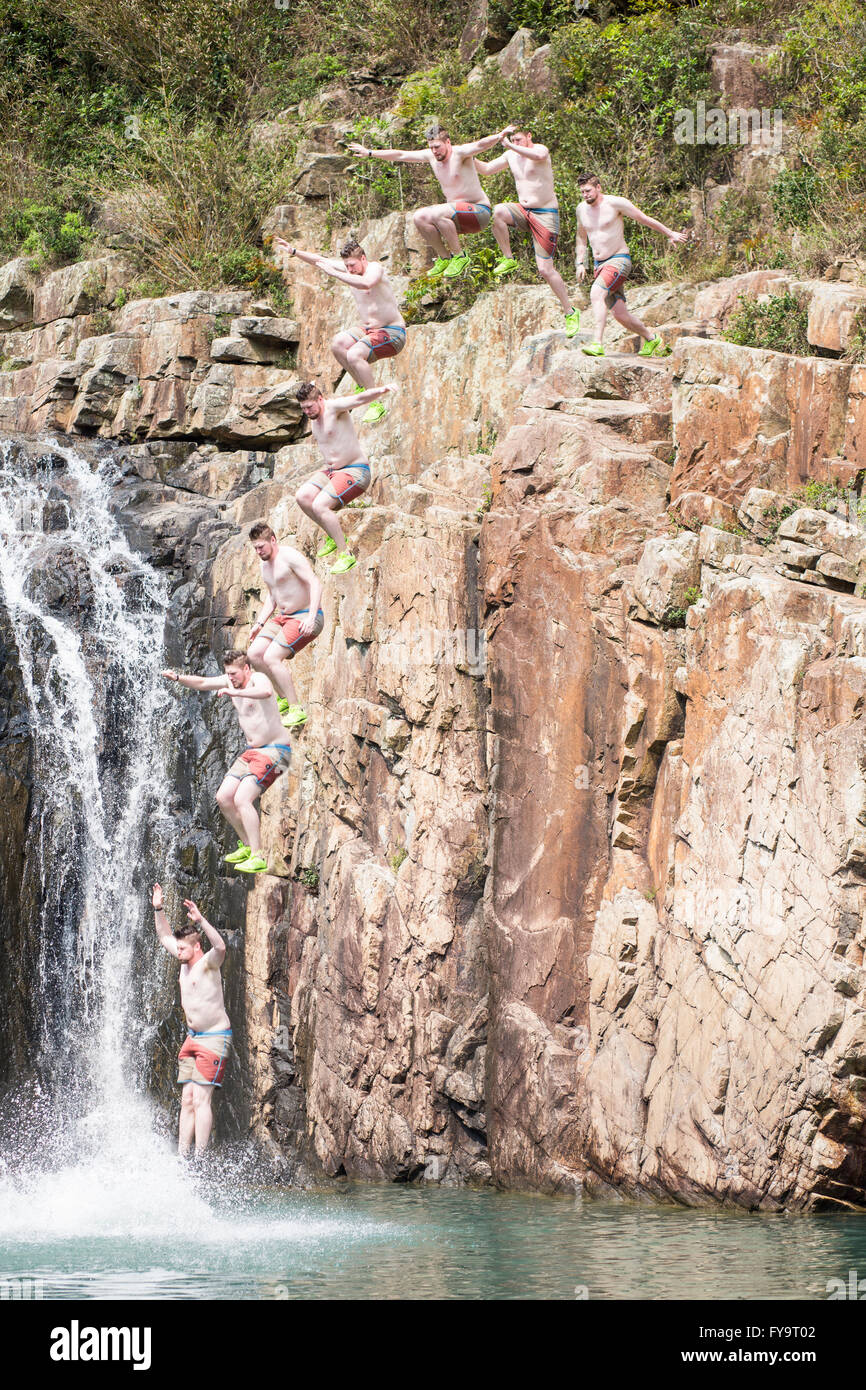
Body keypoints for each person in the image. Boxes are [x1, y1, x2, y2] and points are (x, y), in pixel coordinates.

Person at [162, 649, 291, 874]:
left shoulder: (257, 679)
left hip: (277, 751)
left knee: (242, 798)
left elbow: (267, 691)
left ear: (246, 669)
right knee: (223, 797)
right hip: (252, 752)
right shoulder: (230, 682)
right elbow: (202, 682)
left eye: (234, 674)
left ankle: (258, 856)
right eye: (228, 674)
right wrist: (178, 678)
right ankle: (248, 846)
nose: (230, 679)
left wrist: (237, 694)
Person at [347, 123, 516, 279]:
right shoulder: (430, 156)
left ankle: (460, 256)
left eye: (437, 147)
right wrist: (370, 152)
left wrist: (499, 136)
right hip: (455, 217)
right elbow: (400, 154)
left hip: (479, 213)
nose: (435, 151)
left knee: (437, 212)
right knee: (419, 217)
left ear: (447, 142)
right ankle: (444, 258)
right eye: (431, 147)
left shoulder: (460, 153)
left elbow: (480, 145)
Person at [273, 235, 405, 424]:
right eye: (347, 266)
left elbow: (366, 283)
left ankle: (375, 403)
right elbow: (320, 261)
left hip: (393, 332)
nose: (350, 270)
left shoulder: (375, 268)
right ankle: (362, 385)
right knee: (338, 344)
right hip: (369, 330)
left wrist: (335, 274)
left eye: (353, 265)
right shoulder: (349, 270)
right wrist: (294, 251)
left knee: (354, 355)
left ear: (363, 259)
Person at [475, 126, 580, 336]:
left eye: (520, 139)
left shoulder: (539, 150)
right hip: (523, 210)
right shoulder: (510, 155)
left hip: (545, 213)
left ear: (529, 136)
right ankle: (508, 258)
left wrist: (511, 145)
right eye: (514, 139)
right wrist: (467, 157)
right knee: (498, 212)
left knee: (545, 270)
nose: (517, 142)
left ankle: (570, 311)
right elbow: (486, 169)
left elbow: (539, 154)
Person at [152, 882, 230, 1158]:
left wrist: (201, 920)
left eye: (183, 949)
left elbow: (220, 945)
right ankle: (183, 1159)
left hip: (214, 1039)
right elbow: (164, 936)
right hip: (192, 1040)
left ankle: (201, 1159)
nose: (178, 953)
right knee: (186, 1099)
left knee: (200, 1098)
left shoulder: (208, 963)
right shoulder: (184, 959)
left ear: (196, 947)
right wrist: (158, 908)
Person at [575, 173, 688, 357]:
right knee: (620, 315)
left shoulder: (615, 203)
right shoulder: (581, 209)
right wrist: (580, 263)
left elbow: (644, 219)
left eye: (588, 190)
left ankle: (597, 343)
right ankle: (652, 339)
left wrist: (670, 233)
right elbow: (581, 237)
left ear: (598, 187)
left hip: (618, 260)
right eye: (582, 192)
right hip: (599, 265)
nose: (585, 195)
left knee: (596, 293)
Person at [294, 380, 397, 574]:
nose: (307, 412)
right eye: (303, 409)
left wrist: (380, 391)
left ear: (320, 399)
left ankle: (346, 555)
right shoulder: (314, 415)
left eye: (309, 407)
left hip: (355, 470)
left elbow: (358, 399)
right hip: (332, 472)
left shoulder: (333, 408)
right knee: (303, 497)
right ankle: (333, 537)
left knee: (320, 505)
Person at [246, 521, 324, 730]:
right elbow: (272, 597)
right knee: (254, 654)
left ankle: (296, 709)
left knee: (271, 656)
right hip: (282, 617)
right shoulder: (264, 565)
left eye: (261, 546)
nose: (258, 551)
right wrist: (259, 623)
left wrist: (311, 616)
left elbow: (314, 582)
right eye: (255, 548)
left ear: (272, 540)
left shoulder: (289, 557)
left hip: (305, 616)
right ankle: (282, 698)